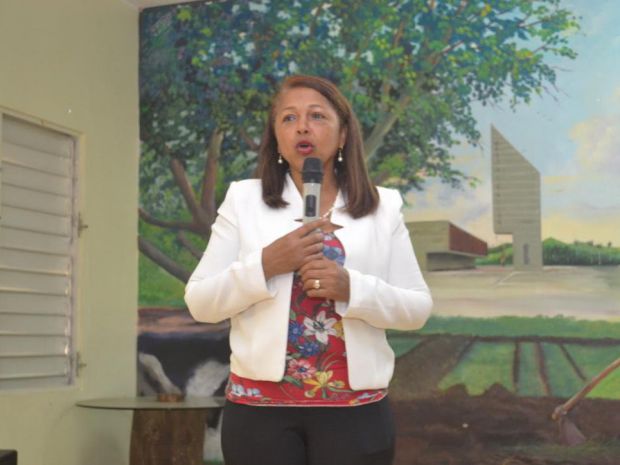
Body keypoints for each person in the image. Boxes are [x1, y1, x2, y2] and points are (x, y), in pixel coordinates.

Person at [185, 75, 432, 465]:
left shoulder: (383, 207)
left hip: (356, 414)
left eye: (317, 116)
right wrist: (267, 265)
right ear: (277, 138)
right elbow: (200, 302)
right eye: (288, 118)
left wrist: (352, 288)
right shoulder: (244, 201)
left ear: (344, 134)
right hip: (260, 415)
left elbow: (417, 309)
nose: (302, 126)